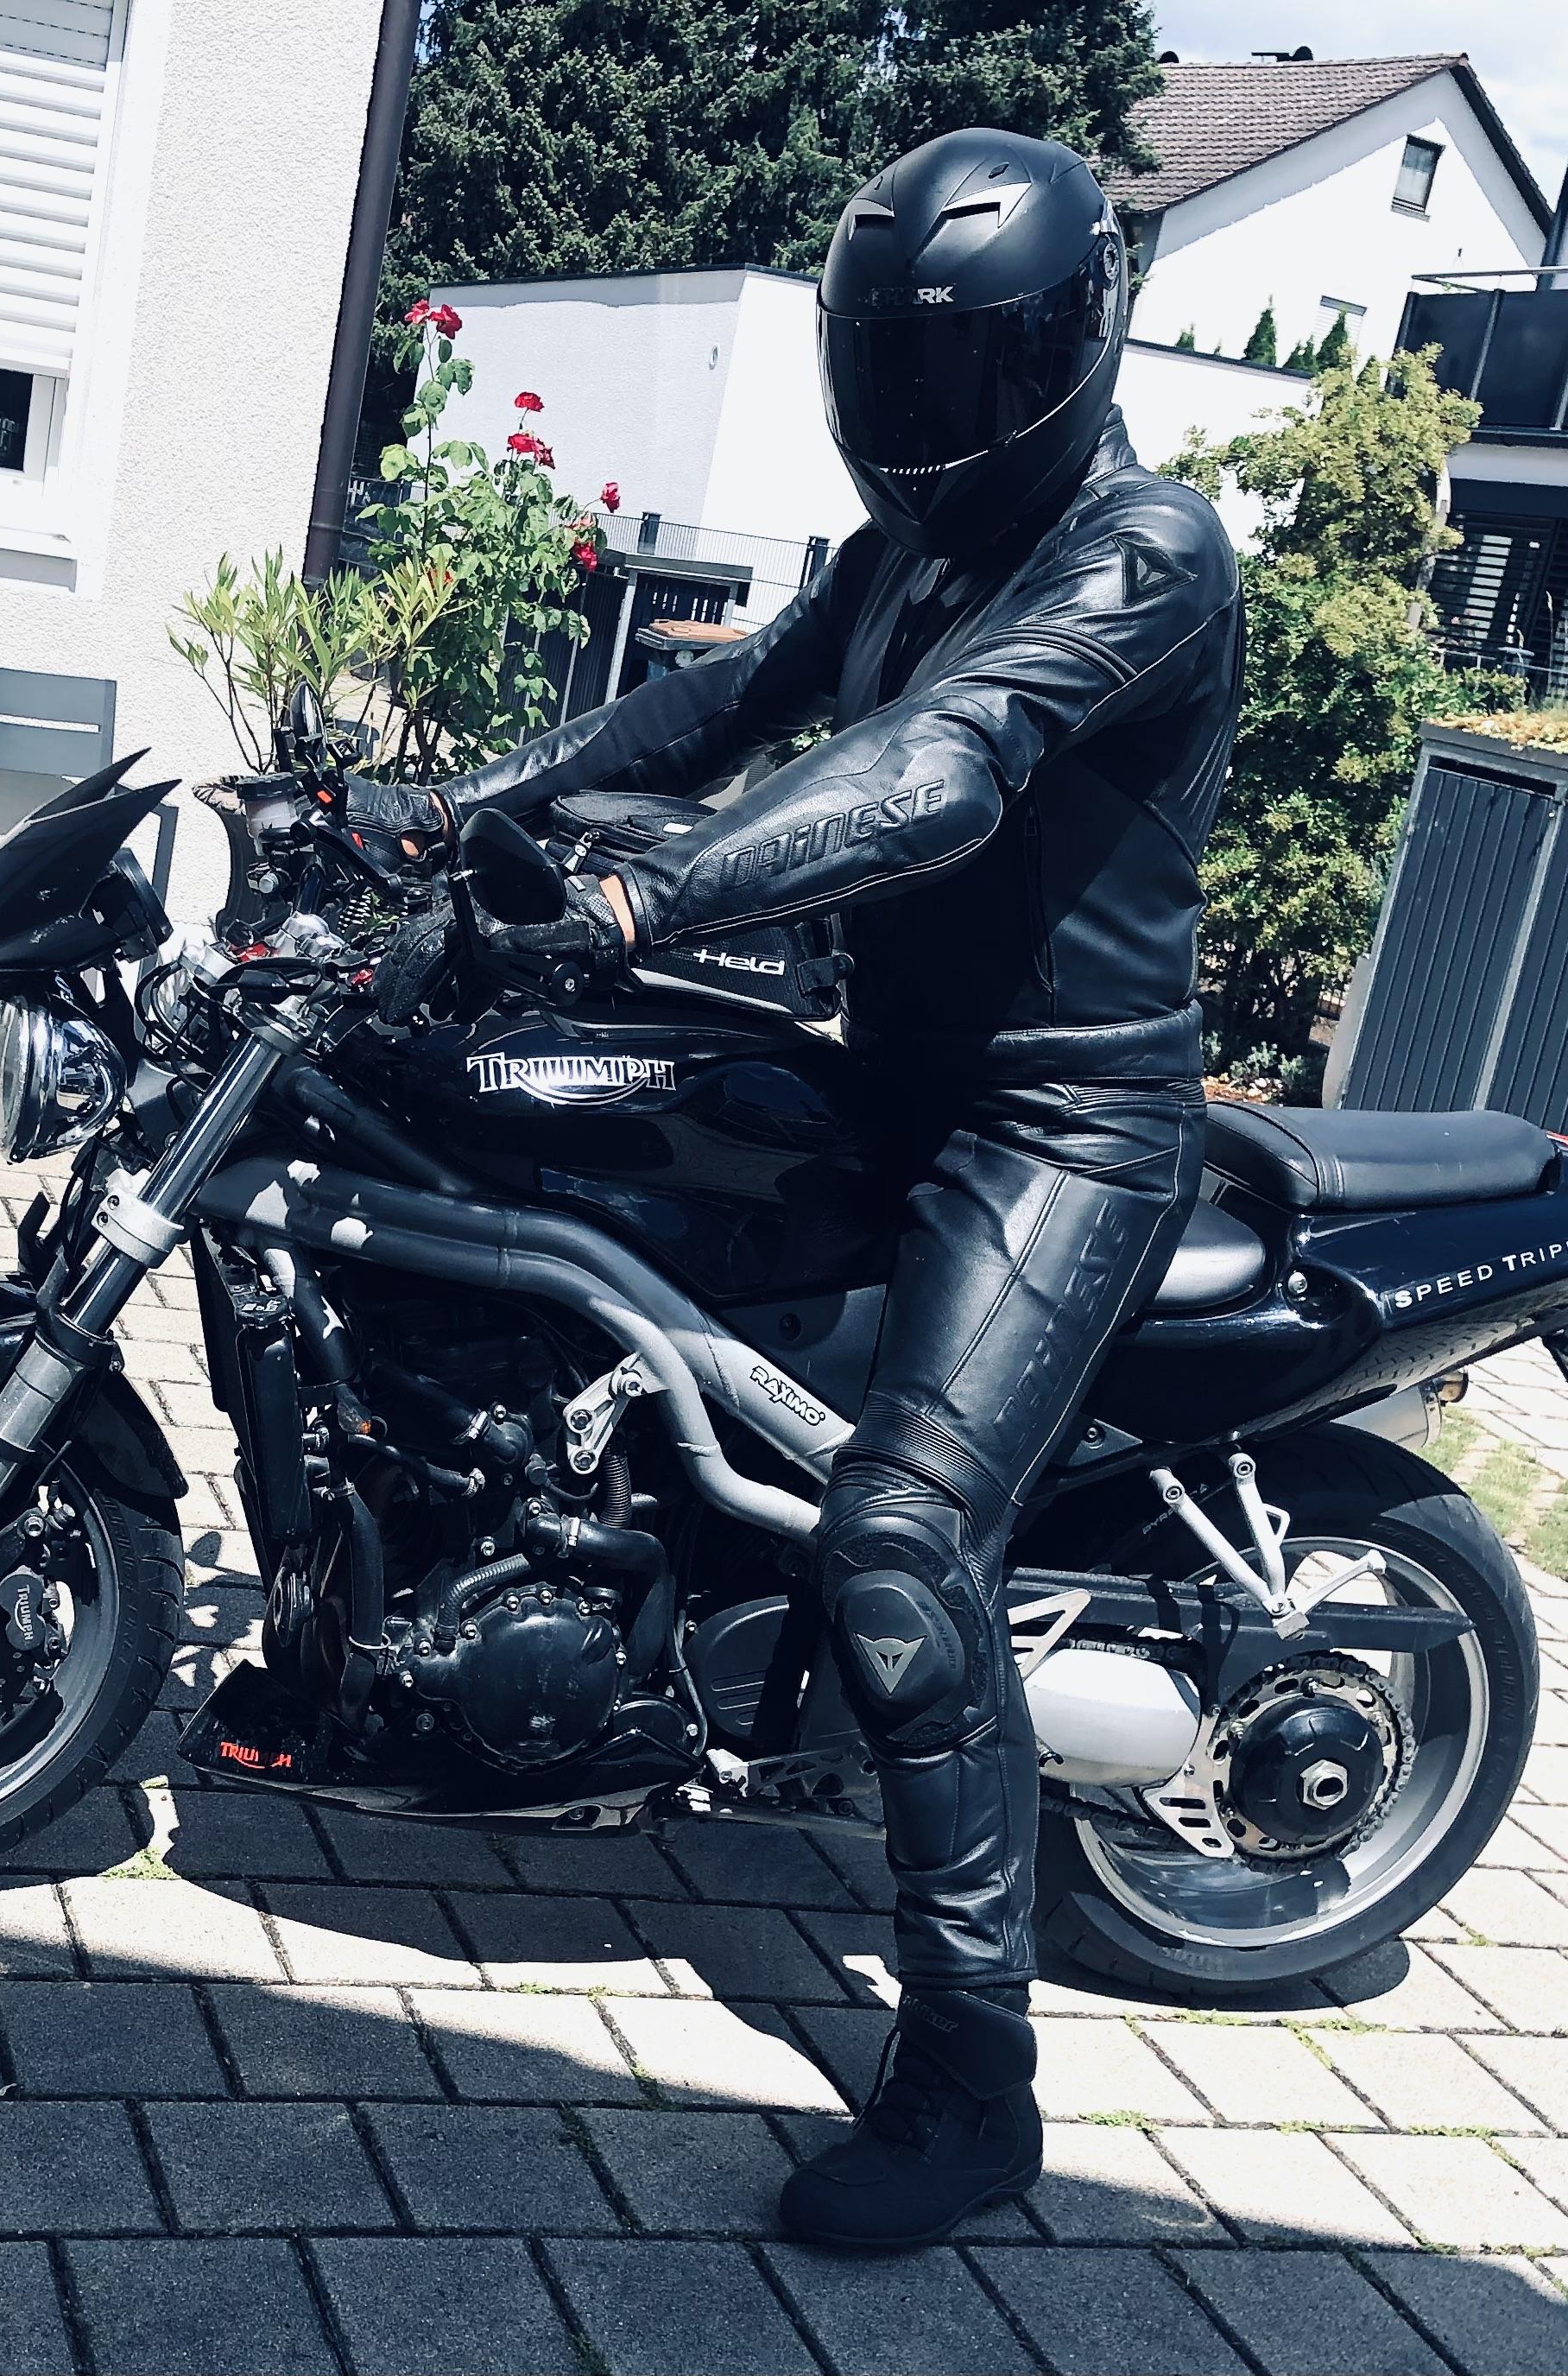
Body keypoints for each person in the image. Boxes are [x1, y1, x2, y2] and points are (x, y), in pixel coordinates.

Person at [357, 126, 1242, 2251]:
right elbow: (722, 699)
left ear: (1068, 348)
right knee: (585, 1246)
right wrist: (460, 802)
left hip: (1057, 1124)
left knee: (899, 1541)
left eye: (964, 373)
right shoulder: (900, 559)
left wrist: (636, 900)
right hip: (884, 1078)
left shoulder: (1141, 553)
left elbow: (933, 773)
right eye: (894, 368)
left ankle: (969, 2081)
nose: (921, 414)